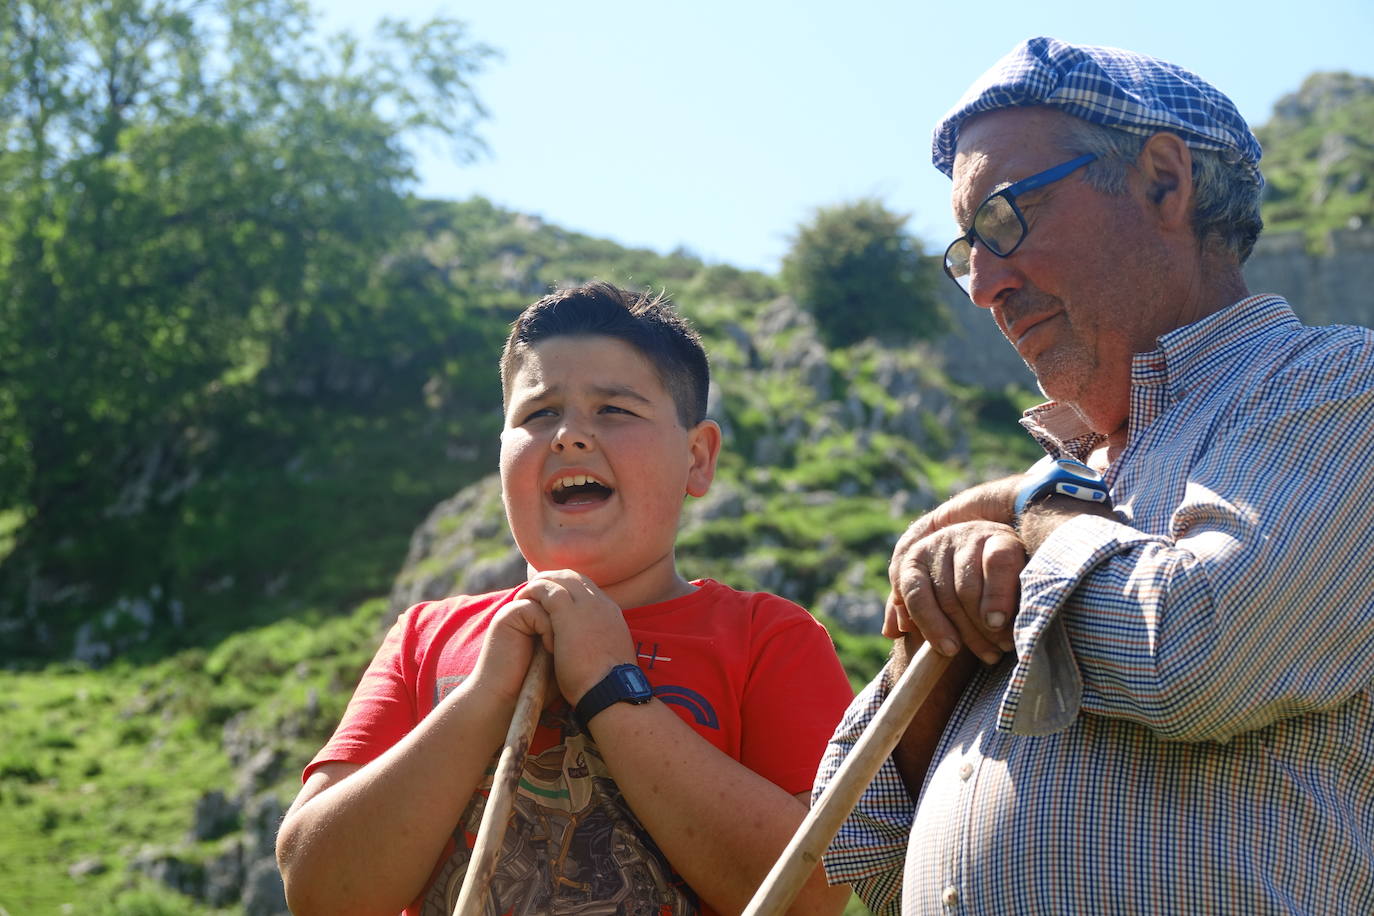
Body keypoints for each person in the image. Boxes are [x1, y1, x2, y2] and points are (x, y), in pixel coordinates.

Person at [814, 37, 1374, 915]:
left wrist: (1037, 507)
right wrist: (940, 629)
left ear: (1162, 181)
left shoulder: (1338, 384)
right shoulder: (1052, 501)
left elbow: (1198, 651)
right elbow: (862, 846)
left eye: (1005, 219)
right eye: (968, 248)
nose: (985, 285)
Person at [276, 282, 855, 916]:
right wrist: (481, 698)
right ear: (501, 453)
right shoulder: (425, 636)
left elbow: (814, 894)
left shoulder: (770, 637)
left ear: (697, 457)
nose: (569, 436)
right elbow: (316, 891)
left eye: (614, 410)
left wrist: (611, 686)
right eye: (538, 414)